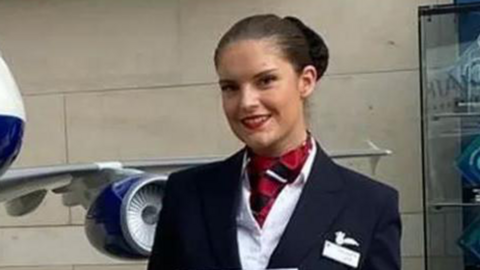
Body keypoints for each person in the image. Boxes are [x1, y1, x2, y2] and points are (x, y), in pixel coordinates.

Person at [148, 14, 401, 270]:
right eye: (230, 87)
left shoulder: (369, 204)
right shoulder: (186, 195)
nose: (247, 102)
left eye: (265, 81)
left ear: (306, 81)